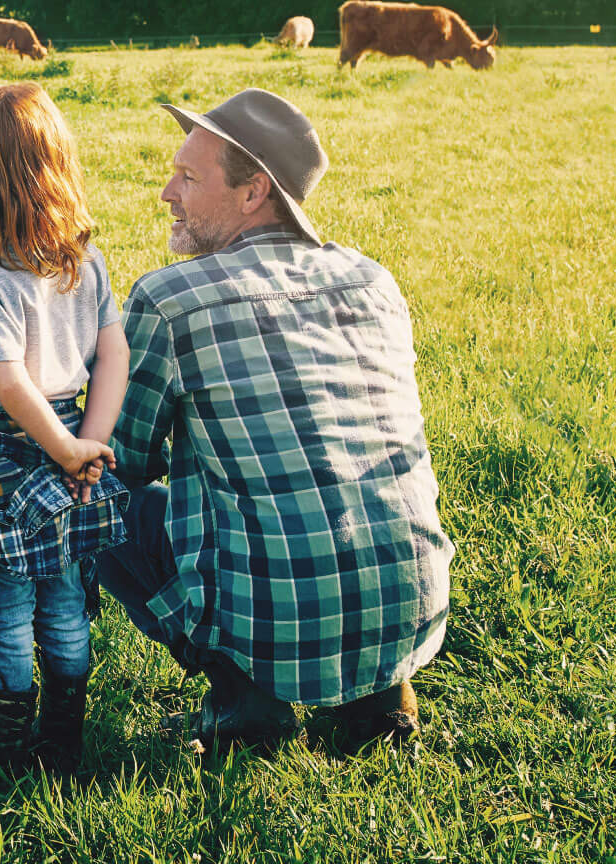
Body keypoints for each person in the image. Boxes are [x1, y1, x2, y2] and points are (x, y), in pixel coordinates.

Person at [99, 88, 452, 751]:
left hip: (280, 625)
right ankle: (380, 693)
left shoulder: (172, 297)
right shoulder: (372, 279)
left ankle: (244, 694)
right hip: (413, 607)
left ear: (253, 191)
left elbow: (123, 459)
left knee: (87, 492)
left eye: (188, 177)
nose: (166, 194)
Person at [0, 83, 131, 774]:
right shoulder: (86, 258)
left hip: (7, 459)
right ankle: (62, 745)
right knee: (66, 604)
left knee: (6, 613)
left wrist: (67, 448)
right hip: (72, 445)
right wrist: (85, 445)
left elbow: (7, 383)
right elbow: (112, 354)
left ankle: (0, 752)